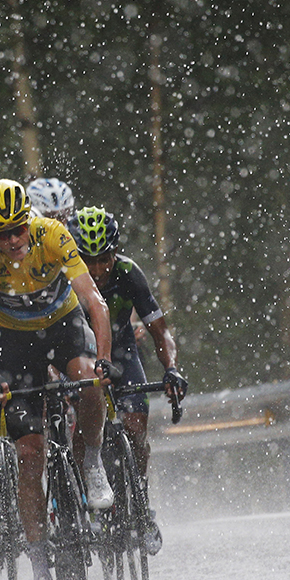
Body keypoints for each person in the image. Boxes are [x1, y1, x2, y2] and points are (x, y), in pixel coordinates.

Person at [0, 179, 114, 580]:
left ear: (28, 219)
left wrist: (103, 359)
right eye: (1, 234)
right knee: (29, 457)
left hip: (63, 326)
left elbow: (96, 303)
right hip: (14, 342)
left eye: (17, 229)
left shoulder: (51, 233)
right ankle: (41, 573)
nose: (12, 240)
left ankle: (91, 461)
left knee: (88, 379)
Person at [68, 206, 188, 556]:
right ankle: (86, 502)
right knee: (81, 429)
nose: (96, 269)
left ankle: (142, 508)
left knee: (136, 430)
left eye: (103, 258)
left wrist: (172, 369)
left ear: (114, 252)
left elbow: (160, 332)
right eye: (86, 260)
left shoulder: (128, 273)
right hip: (80, 358)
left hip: (122, 354)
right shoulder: (64, 279)